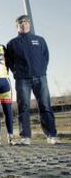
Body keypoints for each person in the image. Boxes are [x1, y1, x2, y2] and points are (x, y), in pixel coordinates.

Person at [6, 15, 59, 145]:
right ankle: (25, 137)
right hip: (22, 79)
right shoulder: (12, 43)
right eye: (21, 23)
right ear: (17, 26)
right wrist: (17, 73)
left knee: (45, 106)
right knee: (23, 107)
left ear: (29, 24)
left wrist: (41, 70)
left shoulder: (39, 40)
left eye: (26, 23)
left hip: (40, 78)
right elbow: (10, 62)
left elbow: (46, 57)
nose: (24, 25)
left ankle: (51, 135)